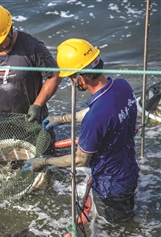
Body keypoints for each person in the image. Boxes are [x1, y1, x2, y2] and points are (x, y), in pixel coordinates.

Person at [23, 38, 140, 223]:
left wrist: (44, 161)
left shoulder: (95, 120)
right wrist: (61, 119)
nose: (71, 81)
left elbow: (80, 160)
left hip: (110, 187)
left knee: (114, 229)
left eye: (71, 77)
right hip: (130, 171)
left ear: (81, 78)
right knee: (126, 216)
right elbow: (99, 112)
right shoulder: (122, 86)